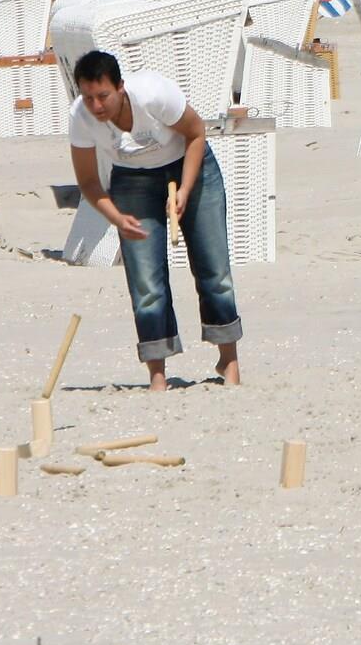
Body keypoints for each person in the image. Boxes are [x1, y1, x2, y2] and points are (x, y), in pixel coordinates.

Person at [67, 50, 243, 390]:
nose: (96, 106)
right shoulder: (80, 118)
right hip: (133, 180)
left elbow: (196, 133)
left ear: (120, 87)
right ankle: (157, 376)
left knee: (214, 268)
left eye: (103, 96)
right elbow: (87, 181)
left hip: (191, 165)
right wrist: (117, 218)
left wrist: (185, 190)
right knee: (146, 281)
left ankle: (229, 362)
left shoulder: (152, 94)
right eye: (88, 98)